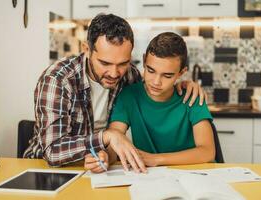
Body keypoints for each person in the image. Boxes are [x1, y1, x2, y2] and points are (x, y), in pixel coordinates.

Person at [24, 14, 206, 173]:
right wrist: (107, 136)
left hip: (101, 166)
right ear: (86, 50)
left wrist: (184, 84)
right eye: (105, 63)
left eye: (122, 63)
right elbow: (52, 152)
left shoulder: (130, 75)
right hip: (46, 168)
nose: (114, 73)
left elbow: (156, 86)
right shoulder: (58, 80)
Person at [85, 32, 215, 173]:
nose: (156, 82)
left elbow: (207, 152)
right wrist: (105, 157)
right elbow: (116, 138)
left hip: (194, 175)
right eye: (151, 70)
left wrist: (156, 159)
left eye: (167, 75)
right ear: (144, 61)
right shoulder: (129, 96)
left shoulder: (192, 97)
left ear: (181, 73)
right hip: (151, 176)